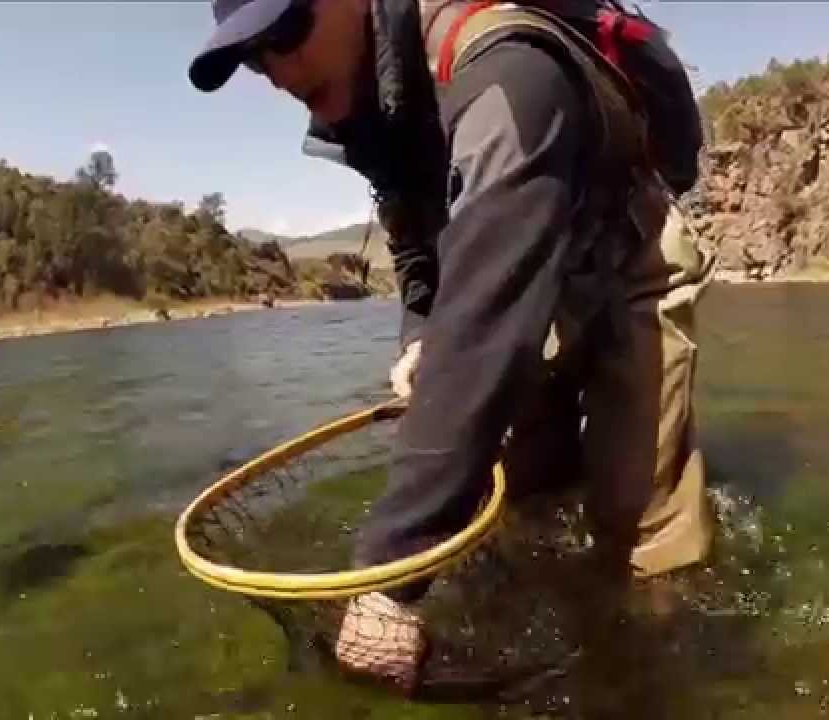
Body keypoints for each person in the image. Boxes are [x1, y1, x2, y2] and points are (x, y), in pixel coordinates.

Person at [189, 0, 715, 693]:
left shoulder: (504, 69)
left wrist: (390, 576)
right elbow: (417, 252)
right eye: (254, 56)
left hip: (625, 257)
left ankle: (662, 676)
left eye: (287, 28)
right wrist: (418, 338)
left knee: (640, 524)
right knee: (527, 495)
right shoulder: (368, 104)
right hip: (513, 264)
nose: (278, 68)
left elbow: (486, 320)